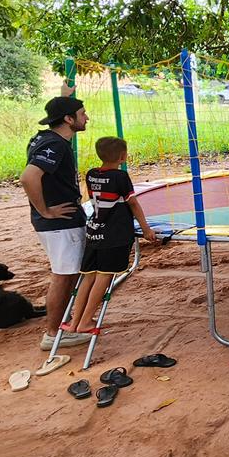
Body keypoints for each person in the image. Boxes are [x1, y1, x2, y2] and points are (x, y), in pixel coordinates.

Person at [22, 94, 94, 351]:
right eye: (82, 113)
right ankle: (53, 333)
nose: (87, 118)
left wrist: (65, 95)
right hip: (59, 223)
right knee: (64, 276)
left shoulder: (45, 137)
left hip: (61, 221)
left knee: (69, 272)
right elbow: (29, 177)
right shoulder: (56, 145)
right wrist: (46, 211)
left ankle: (66, 324)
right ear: (68, 119)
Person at [63, 137, 156, 334]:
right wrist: (146, 228)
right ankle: (86, 320)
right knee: (104, 276)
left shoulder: (91, 174)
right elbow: (133, 203)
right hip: (114, 234)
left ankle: (75, 321)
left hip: (95, 232)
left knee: (88, 277)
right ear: (122, 156)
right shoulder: (120, 177)